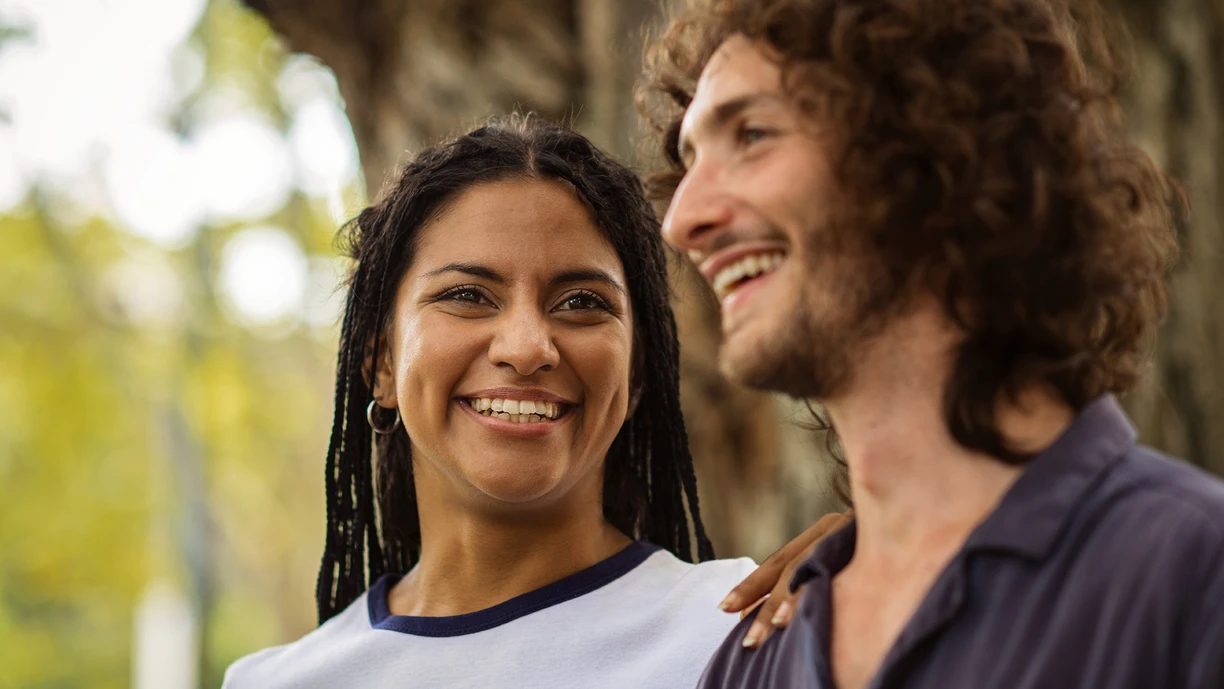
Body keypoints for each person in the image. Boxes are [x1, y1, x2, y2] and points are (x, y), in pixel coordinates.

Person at [641, 0, 1224, 687]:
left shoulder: (1192, 579)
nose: (681, 221)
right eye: (691, 160)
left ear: (939, 151)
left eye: (754, 134)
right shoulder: (754, 663)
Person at [222, 116, 843, 689]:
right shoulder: (271, 683)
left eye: (581, 302)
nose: (526, 348)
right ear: (380, 363)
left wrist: (898, 573)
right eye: (467, 295)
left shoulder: (753, 630)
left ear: (635, 376)